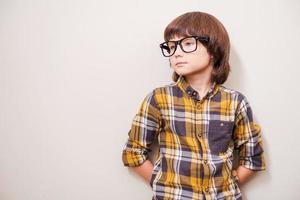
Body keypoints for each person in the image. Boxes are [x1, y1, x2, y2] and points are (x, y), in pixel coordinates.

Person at [122, 11, 266, 200]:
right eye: (171, 47)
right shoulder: (159, 99)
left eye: (187, 43)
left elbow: (253, 159)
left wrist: (225, 185)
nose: (177, 53)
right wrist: (163, 184)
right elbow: (133, 153)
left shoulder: (235, 102)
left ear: (213, 50)